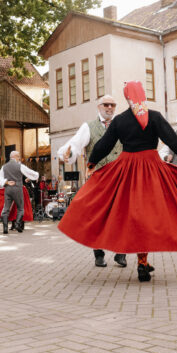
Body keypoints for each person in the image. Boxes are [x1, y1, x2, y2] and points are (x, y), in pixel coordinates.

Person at [58, 81, 177, 282]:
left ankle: (137, 258)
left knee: (130, 215)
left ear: (127, 98)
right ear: (143, 96)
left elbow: (104, 145)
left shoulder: (120, 120)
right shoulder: (155, 116)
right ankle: (142, 262)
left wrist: (91, 164)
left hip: (125, 170)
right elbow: (174, 142)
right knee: (150, 215)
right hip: (152, 169)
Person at [57, 95, 127, 268]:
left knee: (122, 215)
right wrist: (68, 154)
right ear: (99, 107)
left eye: (112, 105)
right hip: (99, 178)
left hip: (120, 177)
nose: (109, 107)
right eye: (106, 104)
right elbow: (75, 145)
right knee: (98, 217)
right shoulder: (88, 127)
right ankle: (99, 254)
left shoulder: (122, 125)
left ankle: (120, 253)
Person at [0, 151, 39, 234]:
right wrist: (36, 175)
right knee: (20, 208)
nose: (19, 158)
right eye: (18, 156)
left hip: (8, 189)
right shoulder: (20, 166)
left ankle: (5, 228)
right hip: (17, 189)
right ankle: (17, 224)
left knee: (6, 209)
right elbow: (30, 172)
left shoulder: (4, 166)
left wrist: (6, 182)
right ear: (15, 156)